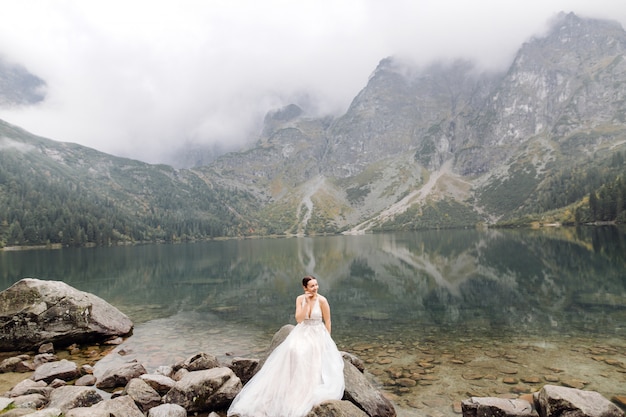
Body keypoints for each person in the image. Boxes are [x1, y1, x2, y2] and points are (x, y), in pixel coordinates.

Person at [227, 276, 345, 417]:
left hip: (318, 332)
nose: (315, 288)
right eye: (312, 286)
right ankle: (290, 386)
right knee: (292, 350)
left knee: (307, 353)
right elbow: (299, 319)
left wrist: (327, 340)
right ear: (305, 288)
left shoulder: (323, 300)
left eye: (316, 285)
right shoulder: (300, 299)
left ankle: (307, 387)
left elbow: (328, 321)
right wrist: (307, 302)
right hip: (303, 331)